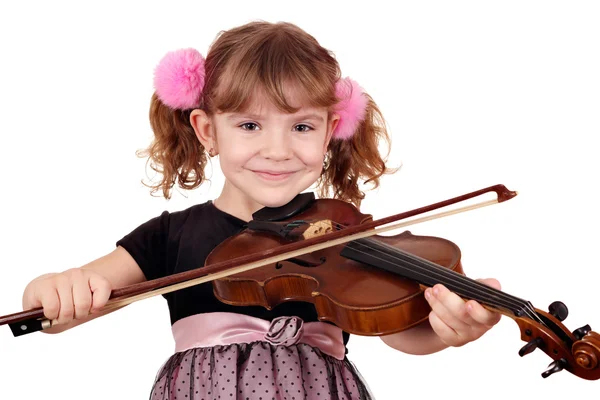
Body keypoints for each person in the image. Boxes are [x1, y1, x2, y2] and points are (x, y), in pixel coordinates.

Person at [20, 21, 501, 399]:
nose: (277, 150)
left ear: (331, 129)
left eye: (302, 127)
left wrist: (448, 330)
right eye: (250, 125)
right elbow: (57, 309)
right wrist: (53, 288)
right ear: (207, 131)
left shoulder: (342, 231)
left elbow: (399, 331)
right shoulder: (169, 237)